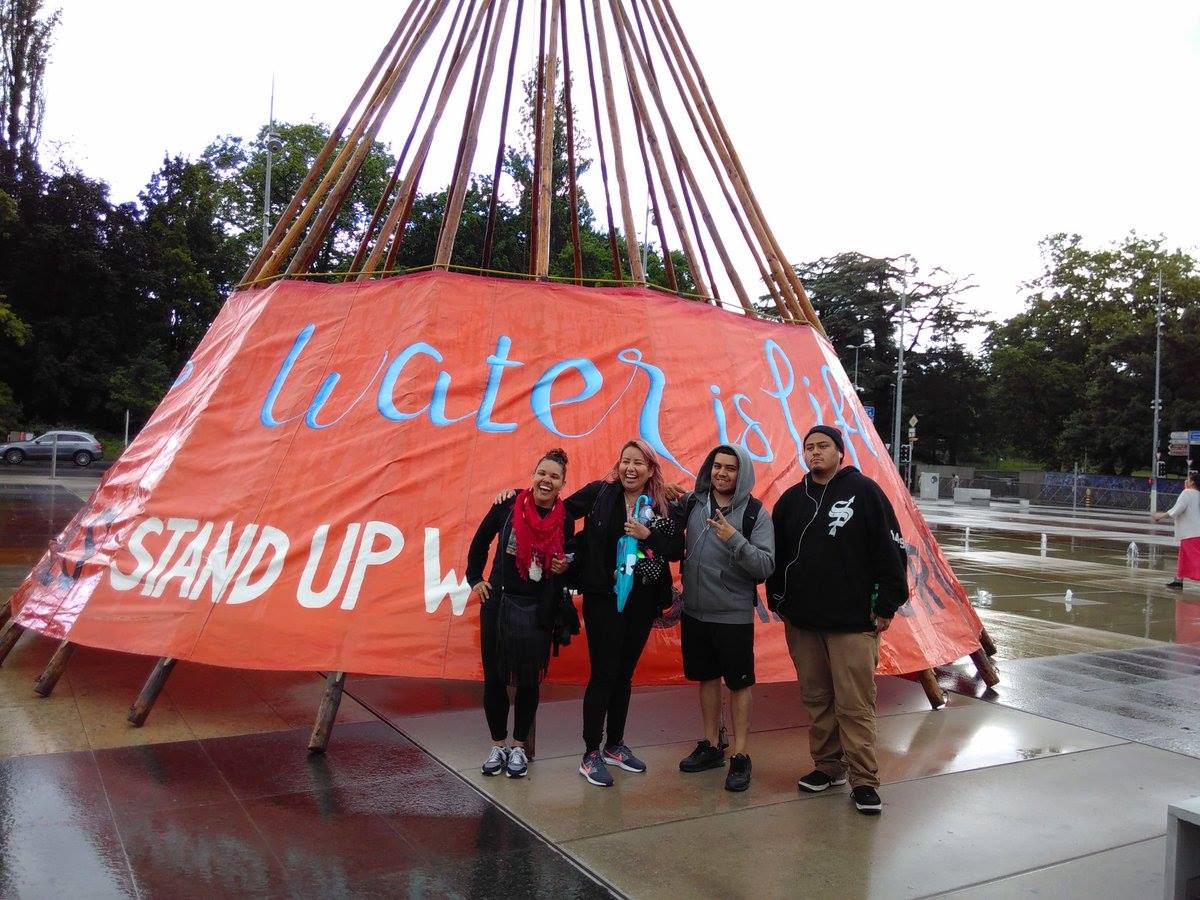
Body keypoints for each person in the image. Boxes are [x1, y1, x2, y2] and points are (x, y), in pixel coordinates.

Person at [765, 425, 909, 815]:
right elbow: (774, 555)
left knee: (855, 703)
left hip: (851, 621)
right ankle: (828, 767)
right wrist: (777, 599)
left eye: (823, 446)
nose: (815, 453)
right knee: (816, 699)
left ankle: (864, 779)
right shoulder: (792, 500)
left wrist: (887, 604)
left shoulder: (864, 493)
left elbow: (891, 550)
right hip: (803, 620)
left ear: (840, 452)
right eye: (809, 447)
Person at [566, 439, 681, 787]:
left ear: (650, 469)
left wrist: (649, 535)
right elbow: (560, 510)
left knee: (625, 673)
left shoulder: (663, 503)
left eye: (638, 463)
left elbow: (677, 549)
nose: (630, 468)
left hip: (642, 600)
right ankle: (590, 752)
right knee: (603, 672)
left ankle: (615, 745)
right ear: (618, 466)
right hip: (604, 596)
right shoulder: (601, 494)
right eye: (625, 461)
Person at [466, 449, 574, 779]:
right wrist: (475, 579)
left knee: (529, 681)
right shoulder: (508, 504)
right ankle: (498, 744)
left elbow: (563, 561)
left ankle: (518, 748)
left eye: (554, 476)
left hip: (537, 608)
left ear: (562, 484)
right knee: (495, 678)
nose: (547, 480)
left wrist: (562, 567)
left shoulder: (565, 519)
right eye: (542, 472)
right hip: (499, 603)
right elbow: (480, 542)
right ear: (533, 474)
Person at [674, 444, 774, 792]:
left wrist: (735, 540)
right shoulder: (693, 504)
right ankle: (712, 745)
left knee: (739, 684)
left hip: (733, 616)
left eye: (730, 468)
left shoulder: (755, 514)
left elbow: (764, 565)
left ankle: (741, 755)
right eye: (717, 466)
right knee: (706, 678)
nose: (722, 473)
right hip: (696, 611)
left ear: (741, 473)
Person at [1154, 471, 1200, 589]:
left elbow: (1177, 509)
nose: (1185, 482)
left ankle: (1178, 581)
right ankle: (1178, 580)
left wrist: (1161, 516)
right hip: (1194, 532)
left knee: (1195, 559)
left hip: (1191, 533)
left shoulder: (1187, 493)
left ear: (1193, 482)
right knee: (1184, 557)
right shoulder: (1198, 494)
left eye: (1187, 480)